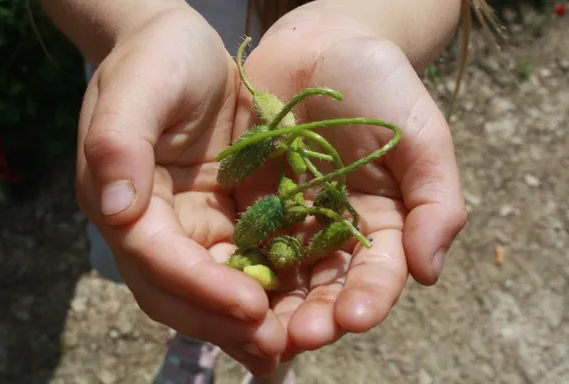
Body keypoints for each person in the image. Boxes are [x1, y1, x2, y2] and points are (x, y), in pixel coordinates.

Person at [37, 0, 469, 383]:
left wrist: (356, 30)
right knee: (188, 271)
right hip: (167, 121)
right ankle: (199, 339)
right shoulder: (272, 161)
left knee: (252, 302)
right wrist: (138, 24)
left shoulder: (294, 173)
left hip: (254, 112)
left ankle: (274, 364)